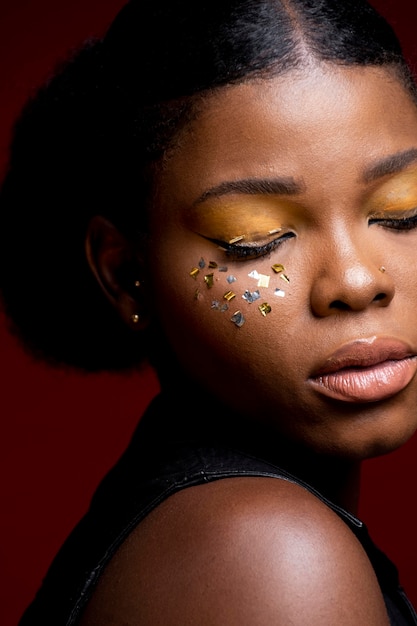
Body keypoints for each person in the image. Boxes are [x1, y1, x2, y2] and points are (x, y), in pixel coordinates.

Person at [1, 0, 417, 623]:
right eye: (255, 239)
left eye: (402, 212)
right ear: (123, 272)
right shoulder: (272, 558)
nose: (357, 281)